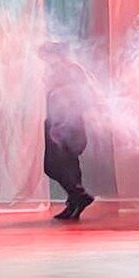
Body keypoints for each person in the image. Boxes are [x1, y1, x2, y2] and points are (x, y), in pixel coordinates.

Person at [40, 42, 97, 221]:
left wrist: (62, 123)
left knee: (57, 165)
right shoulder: (58, 70)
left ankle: (79, 196)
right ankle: (74, 202)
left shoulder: (71, 70)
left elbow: (79, 98)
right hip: (57, 123)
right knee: (66, 165)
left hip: (67, 124)